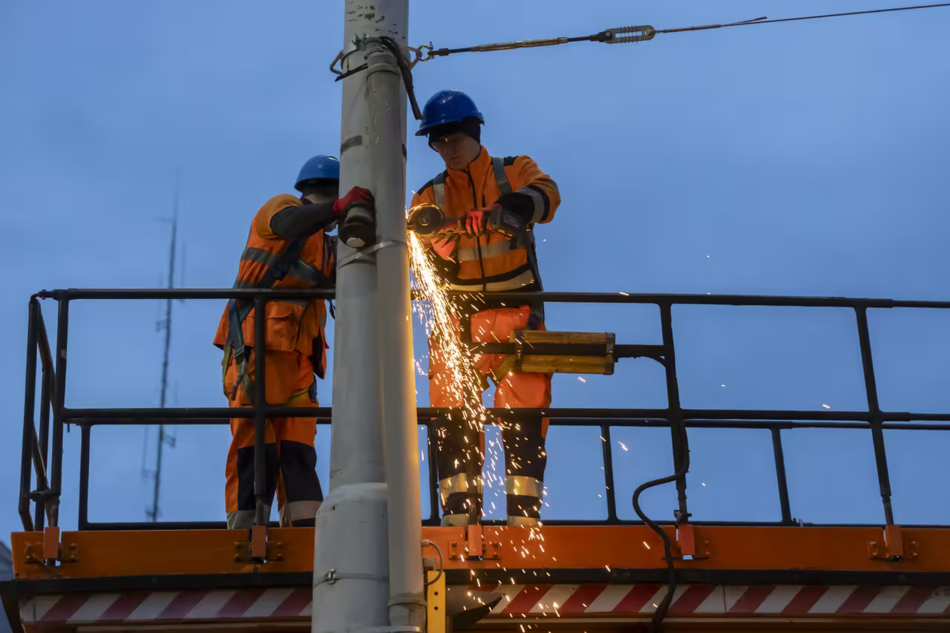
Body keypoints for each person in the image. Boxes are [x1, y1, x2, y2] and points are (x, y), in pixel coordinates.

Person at [410, 90, 560, 527]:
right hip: (458, 317)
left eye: (452, 138)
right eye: (437, 143)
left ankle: (524, 519)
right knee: (452, 414)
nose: (446, 149)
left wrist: (508, 207)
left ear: (474, 131)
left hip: (518, 312)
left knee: (525, 415)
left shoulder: (514, 171)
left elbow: (547, 196)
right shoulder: (429, 196)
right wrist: (436, 244)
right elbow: (424, 260)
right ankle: (459, 518)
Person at [214, 155, 374, 529]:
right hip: (257, 350)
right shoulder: (282, 206)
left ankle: (306, 535)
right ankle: (244, 535)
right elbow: (288, 224)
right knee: (255, 446)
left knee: (299, 452)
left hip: (300, 362)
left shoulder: (329, 246)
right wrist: (337, 208)